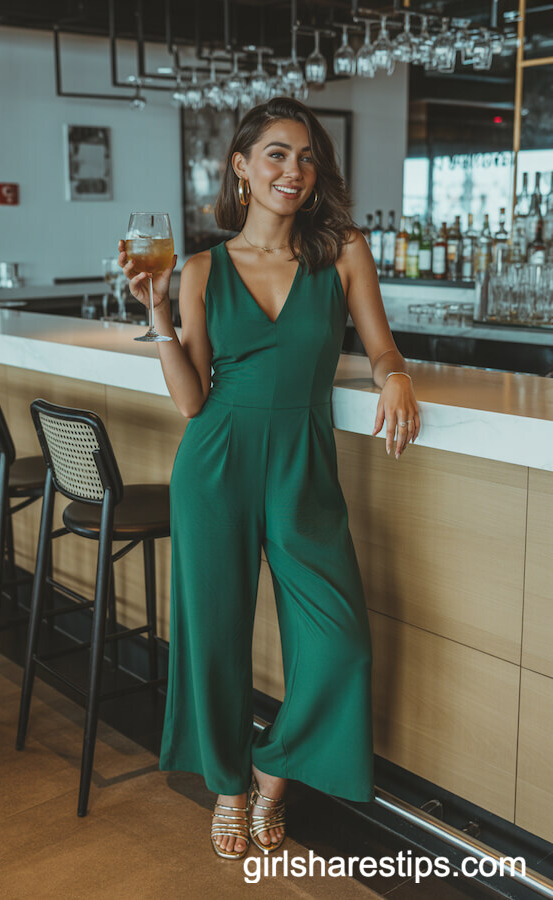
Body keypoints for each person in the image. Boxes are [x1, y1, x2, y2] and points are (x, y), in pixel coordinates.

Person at [118, 97, 420, 861]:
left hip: (303, 464)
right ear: (242, 168)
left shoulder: (342, 251)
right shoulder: (198, 269)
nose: (295, 169)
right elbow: (193, 400)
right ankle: (227, 788)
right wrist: (157, 313)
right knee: (212, 635)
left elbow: (382, 348)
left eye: (307, 156)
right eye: (278, 154)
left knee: (340, 643)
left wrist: (396, 377)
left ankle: (272, 768)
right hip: (215, 461)